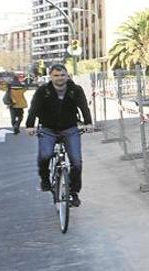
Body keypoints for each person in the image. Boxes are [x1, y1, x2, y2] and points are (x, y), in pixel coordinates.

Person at [26, 64, 92, 207]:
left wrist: (88, 122)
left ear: (67, 75)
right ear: (51, 76)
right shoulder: (43, 91)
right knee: (45, 155)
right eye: (56, 75)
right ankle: (45, 179)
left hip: (70, 128)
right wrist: (30, 125)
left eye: (62, 75)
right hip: (48, 129)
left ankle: (73, 192)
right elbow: (34, 109)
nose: (60, 78)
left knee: (76, 162)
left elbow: (84, 107)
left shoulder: (75, 90)